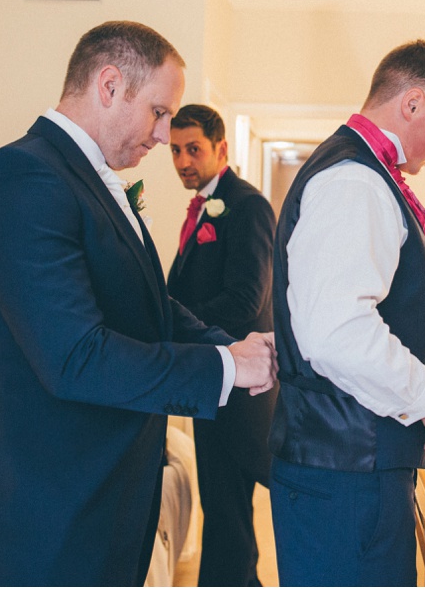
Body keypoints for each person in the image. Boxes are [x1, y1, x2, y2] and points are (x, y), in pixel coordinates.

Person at [0, 21, 276, 586]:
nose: (162, 136)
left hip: (112, 498)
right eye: (158, 112)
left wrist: (234, 346)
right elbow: (75, 356)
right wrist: (225, 367)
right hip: (53, 512)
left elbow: (155, 309)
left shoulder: (94, 181)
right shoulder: (20, 177)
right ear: (108, 85)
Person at [268, 39, 425, 586]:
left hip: (345, 470)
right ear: (411, 103)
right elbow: (337, 333)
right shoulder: (355, 180)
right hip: (347, 478)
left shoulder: (355, 172)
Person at [167, 104, 277, 586]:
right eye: (175, 150)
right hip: (214, 380)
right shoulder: (202, 207)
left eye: (194, 149)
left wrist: (176, 328)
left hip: (243, 388)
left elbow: (246, 300)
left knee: (232, 501)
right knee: (223, 507)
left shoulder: (248, 205)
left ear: (221, 149)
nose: (183, 161)